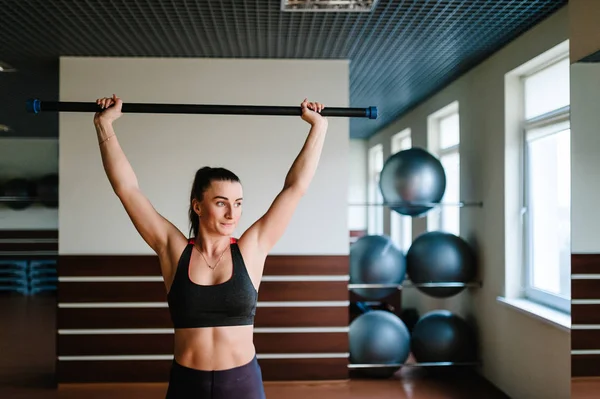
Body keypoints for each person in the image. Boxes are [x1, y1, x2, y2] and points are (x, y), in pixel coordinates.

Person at [92, 94, 329, 399]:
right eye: (221, 203)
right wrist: (104, 124)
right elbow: (127, 189)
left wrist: (318, 127)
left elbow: (295, 188)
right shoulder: (174, 250)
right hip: (188, 386)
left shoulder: (251, 249)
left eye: (238, 204)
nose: (232, 214)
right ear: (198, 206)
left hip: (242, 385)